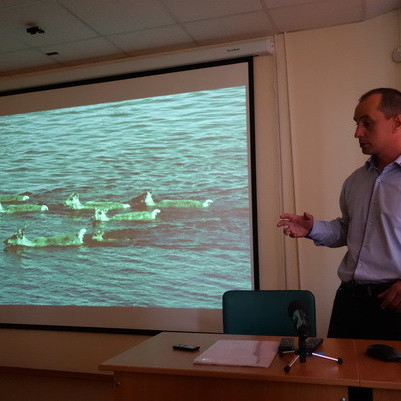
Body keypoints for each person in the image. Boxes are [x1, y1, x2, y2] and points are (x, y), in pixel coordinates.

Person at [277, 88, 401, 340]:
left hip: (394, 303)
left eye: (367, 123)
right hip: (349, 302)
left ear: (397, 122)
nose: (357, 133)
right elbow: (349, 230)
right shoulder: (356, 180)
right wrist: (312, 229)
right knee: (343, 378)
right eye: (357, 124)